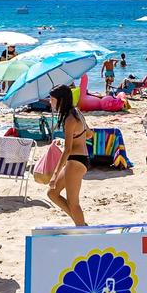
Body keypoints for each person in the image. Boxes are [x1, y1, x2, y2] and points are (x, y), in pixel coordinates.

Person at [45, 84, 89, 226]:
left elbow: (68, 150)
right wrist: (71, 138)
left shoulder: (69, 119)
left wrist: (54, 174)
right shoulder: (77, 113)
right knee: (52, 193)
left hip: (75, 161)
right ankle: (81, 225)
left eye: (52, 99)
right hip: (80, 159)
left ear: (61, 100)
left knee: (73, 203)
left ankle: (83, 230)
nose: (50, 102)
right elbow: (88, 134)